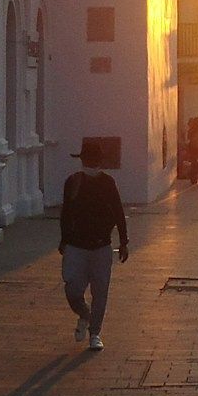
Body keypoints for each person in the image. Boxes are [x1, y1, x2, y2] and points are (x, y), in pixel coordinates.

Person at [59, 140, 130, 351]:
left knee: (100, 292)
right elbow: (66, 213)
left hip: (101, 245)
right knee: (72, 289)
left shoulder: (108, 183)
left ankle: (95, 332)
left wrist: (123, 241)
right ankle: (85, 314)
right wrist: (64, 239)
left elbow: (118, 212)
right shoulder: (73, 182)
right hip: (76, 245)